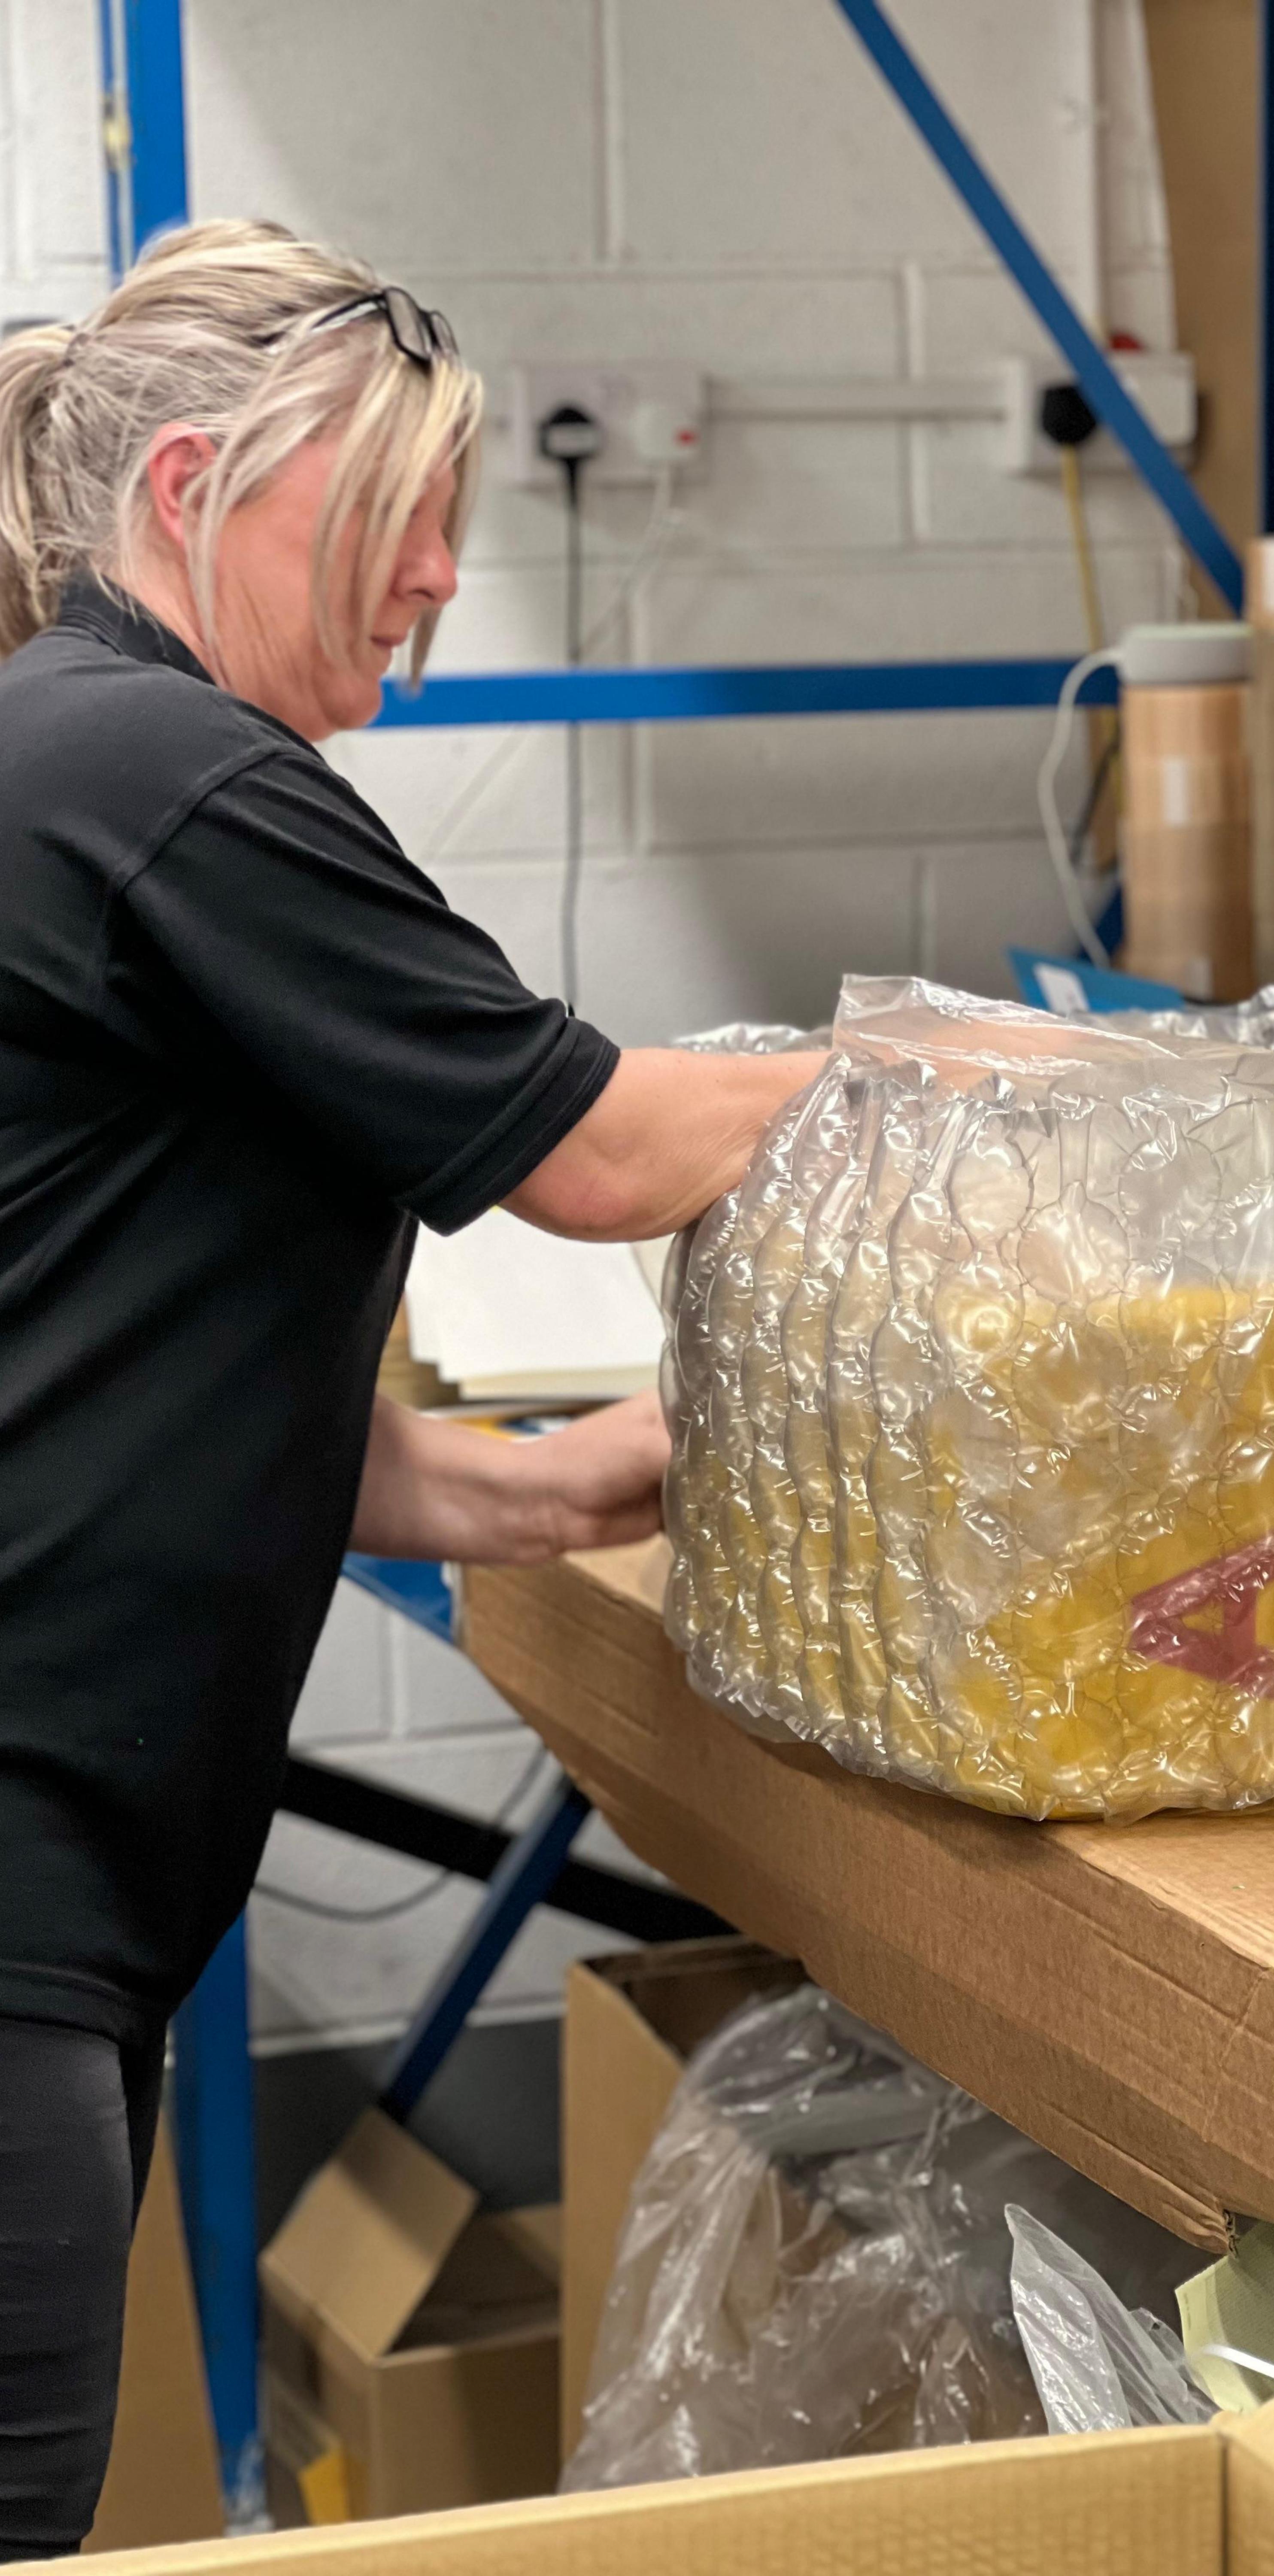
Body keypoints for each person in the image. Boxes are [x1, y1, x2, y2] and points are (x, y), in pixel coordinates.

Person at [0, 219, 823, 2557]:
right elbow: (605, 1154)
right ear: (189, 493)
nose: (444, 573)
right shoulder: (166, 768)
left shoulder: (67, 753)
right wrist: (960, 1072)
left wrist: (539, 1489)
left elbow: (118, 1336)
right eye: (393, 509)